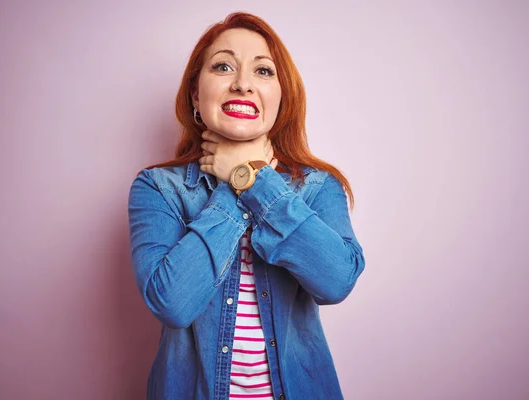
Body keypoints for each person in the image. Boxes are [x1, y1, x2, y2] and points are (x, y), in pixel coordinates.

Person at [128, 11, 365, 400]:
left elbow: (336, 281)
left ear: (281, 96)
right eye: (223, 66)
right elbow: (172, 303)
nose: (242, 85)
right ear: (195, 95)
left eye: (263, 72)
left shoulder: (318, 187)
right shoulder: (158, 188)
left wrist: (253, 178)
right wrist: (236, 182)